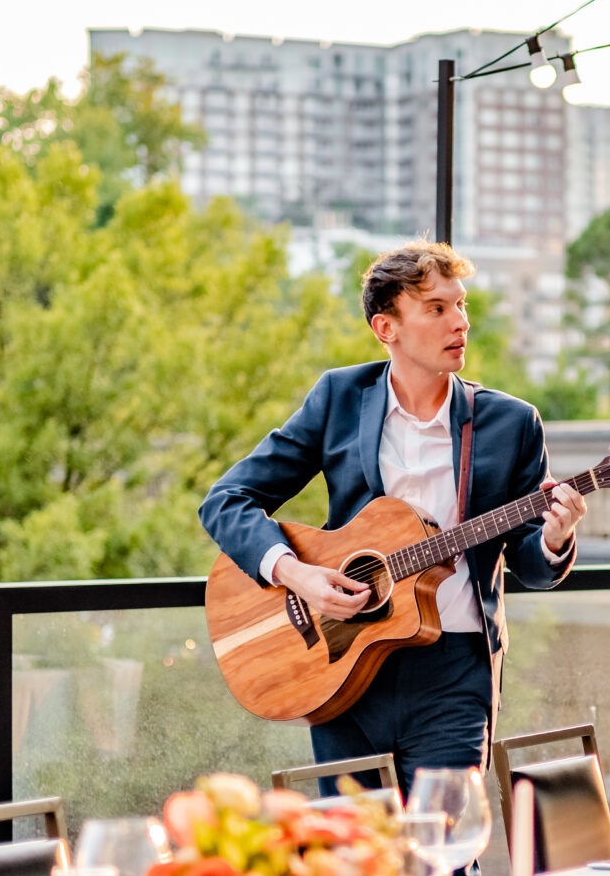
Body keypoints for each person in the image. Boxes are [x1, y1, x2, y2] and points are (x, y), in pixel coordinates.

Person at [200, 240, 585, 783]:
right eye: (437, 308)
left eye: (461, 304)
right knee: (353, 856)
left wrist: (554, 537)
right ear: (387, 329)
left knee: (447, 853)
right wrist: (297, 573)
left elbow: (530, 563)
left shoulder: (511, 423)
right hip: (341, 664)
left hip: (453, 672)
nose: (460, 323)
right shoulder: (338, 398)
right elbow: (225, 501)